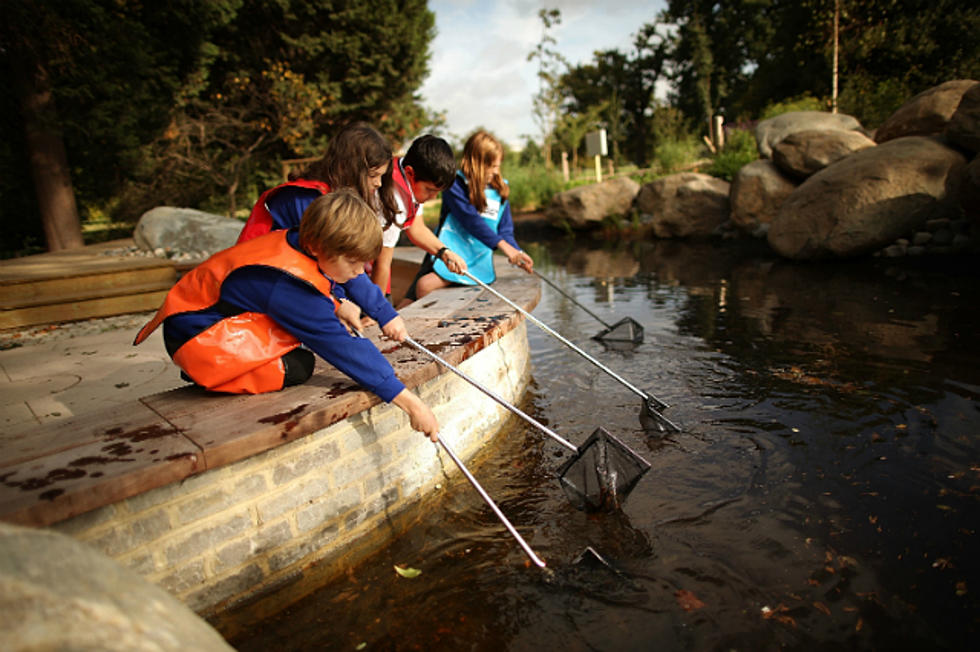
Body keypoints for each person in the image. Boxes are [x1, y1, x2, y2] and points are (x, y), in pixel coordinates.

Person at [133, 189, 439, 441]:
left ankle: (214, 368)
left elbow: (349, 277)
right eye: (355, 264)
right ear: (320, 246)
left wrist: (381, 312)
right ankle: (208, 373)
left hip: (196, 319)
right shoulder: (290, 287)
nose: (360, 273)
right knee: (299, 365)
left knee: (303, 337)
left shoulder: (301, 240)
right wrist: (410, 403)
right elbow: (343, 348)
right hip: (196, 338)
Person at [401, 130, 534, 305]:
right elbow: (471, 220)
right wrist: (502, 246)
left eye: (498, 166)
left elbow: (505, 230)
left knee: (425, 287)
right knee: (414, 295)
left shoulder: (500, 190)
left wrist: (517, 253)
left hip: (478, 259)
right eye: (491, 166)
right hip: (447, 253)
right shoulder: (454, 185)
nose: (495, 172)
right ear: (477, 163)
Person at [371, 134, 466, 298]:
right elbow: (381, 262)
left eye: (438, 192)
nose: (433, 197)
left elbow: (416, 228)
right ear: (410, 173)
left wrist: (444, 252)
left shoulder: (411, 178)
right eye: (430, 190)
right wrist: (376, 310)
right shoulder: (393, 200)